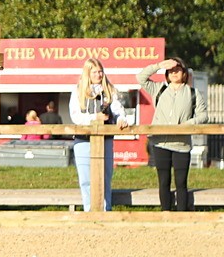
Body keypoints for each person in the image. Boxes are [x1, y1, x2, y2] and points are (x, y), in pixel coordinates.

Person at [137, 57, 206, 211]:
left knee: (181, 182)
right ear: (167, 73)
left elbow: (203, 115)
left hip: (182, 144)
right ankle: (165, 212)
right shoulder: (159, 89)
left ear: (184, 73)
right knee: (163, 181)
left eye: (178, 69)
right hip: (160, 143)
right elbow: (140, 77)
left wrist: (186, 125)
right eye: (171, 70)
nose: (174, 73)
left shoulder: (193, 93)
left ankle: (181, 213)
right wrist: (159, 65)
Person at [69, 58, 130, 211]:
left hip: (106, 139)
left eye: (100, 71)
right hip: (83, 140)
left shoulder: (109, 90)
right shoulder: (78, 91)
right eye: (95, 72)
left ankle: (105, 208)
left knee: (105, 176)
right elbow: (75, 116)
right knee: (85, 178)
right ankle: (89, 209)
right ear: (88, 73)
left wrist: (121, 119)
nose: (98, 74)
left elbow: (118, 110)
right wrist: (94, 117)